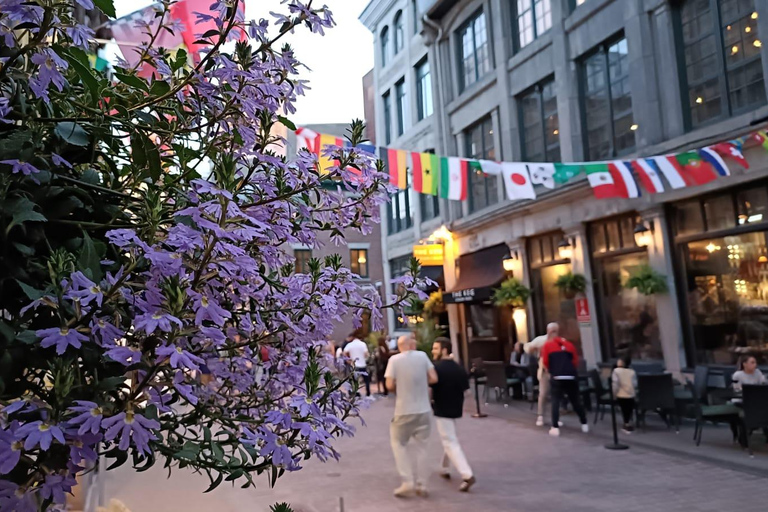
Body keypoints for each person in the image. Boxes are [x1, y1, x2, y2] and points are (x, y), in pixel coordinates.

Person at [385, 333, 438, 498]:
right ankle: (423, 484)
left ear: (400, 346)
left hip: (403, 410)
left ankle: (407, 481)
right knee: (423, 447)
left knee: (398, 444)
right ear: (411, 345)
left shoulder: (394, 360)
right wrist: (421, 383)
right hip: (424, 409)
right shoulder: (423, 356)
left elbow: (389, 385)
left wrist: (399, 386)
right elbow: (434, 378)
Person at [430, 337, 476, 492]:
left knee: (449, 441)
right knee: (449, 437)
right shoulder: (458, 368)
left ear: (444, 350)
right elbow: (467, 392)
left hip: (441, 408)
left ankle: (467, 474)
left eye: (436, 348)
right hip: (456, 408)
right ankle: (444, 468)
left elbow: (430, 388)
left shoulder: (435, 368)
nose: (433, 351)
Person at [541, 328, 589, 437]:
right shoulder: (569, 345)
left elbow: (545, 362)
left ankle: (555, 427)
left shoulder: (547, 346)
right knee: (575, 400)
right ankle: (584, 423)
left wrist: (551, 371)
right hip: (570, 375)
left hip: (557, 376)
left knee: (555, 401)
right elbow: (575, 361)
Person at [524, 323, 557, 427]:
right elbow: (527, 347)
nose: (555, 333)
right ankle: (540, 415)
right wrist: (532, 350)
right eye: (553, 331)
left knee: (556, 394)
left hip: (556, 370)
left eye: (556, 331)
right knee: (543, 393)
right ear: (548, 331)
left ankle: (555, 417)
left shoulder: (559, 341)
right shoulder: (541, 340)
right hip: (545, 370)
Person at [612, 354, 638, 433]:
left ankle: (626, 423)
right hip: (631, 394)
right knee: (629, 409)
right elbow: (635, 383)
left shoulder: (616, 371)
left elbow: (615, 383)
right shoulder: (632, 371)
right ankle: (628, 422)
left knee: (623, 409)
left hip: (621, 393)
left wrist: (614, 394)